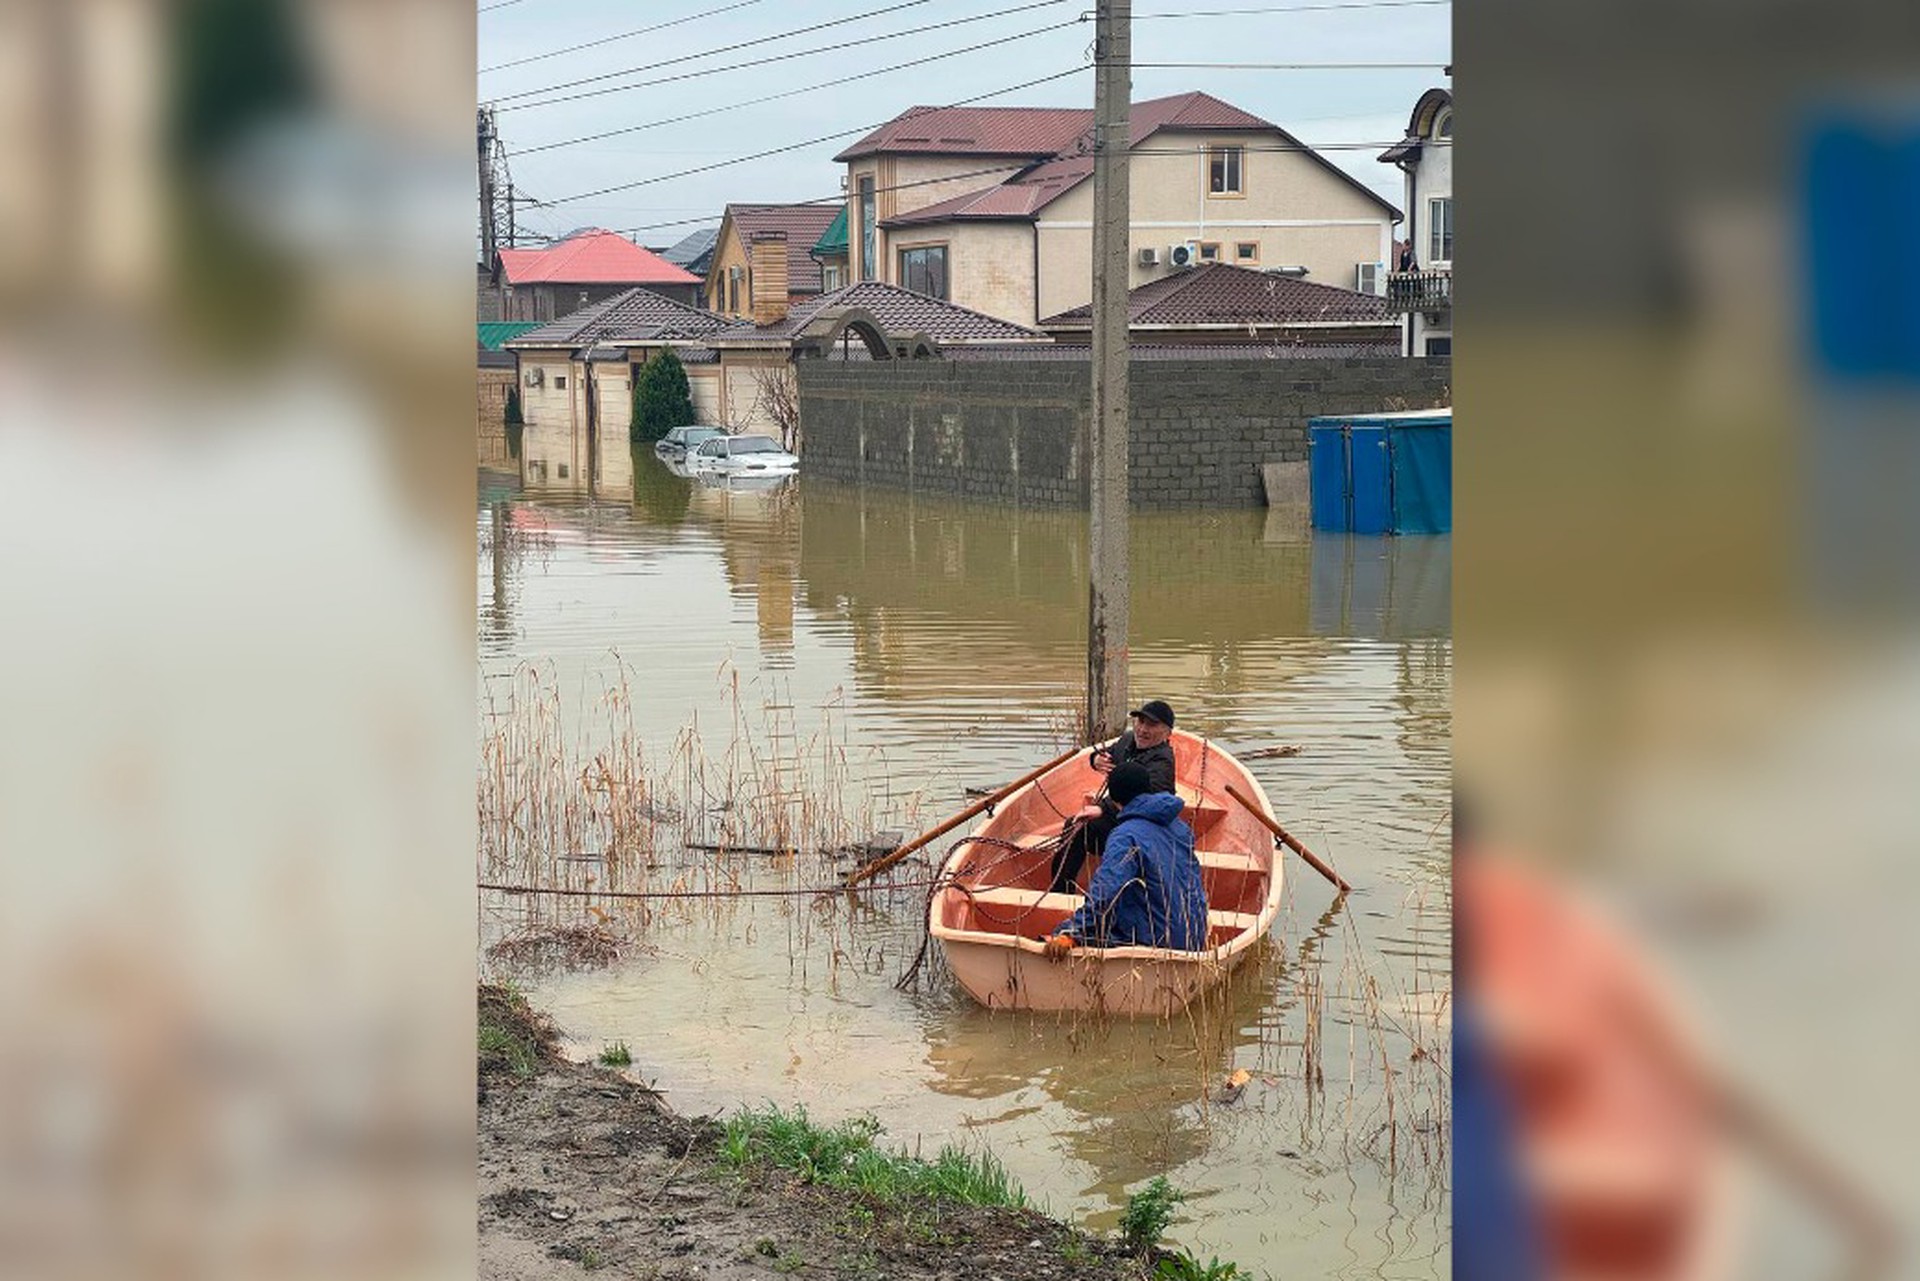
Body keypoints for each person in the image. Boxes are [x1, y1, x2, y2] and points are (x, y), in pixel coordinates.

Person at [1041, 762, 1208, 955]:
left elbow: (1106, 891)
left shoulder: (1125, 836)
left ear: (1114, 799)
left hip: (1154, 944)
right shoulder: (1180, 827)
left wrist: (1071, 931)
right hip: (1193, 936)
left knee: (1059, 936)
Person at [1048, 700, 1177, 894]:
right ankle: (1060, 890)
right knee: (1074, 826)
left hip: (1144, 826)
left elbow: (1143, 800)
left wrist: (1103, 808)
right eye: (1140, 722)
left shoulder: (1162, 761)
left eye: (1151, 725)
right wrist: (1096, 760)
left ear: (1167, 733)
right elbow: (1105, 753)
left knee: (1087, 829)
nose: (1142, 729)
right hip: (1118, 814)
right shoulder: (1127, 741)